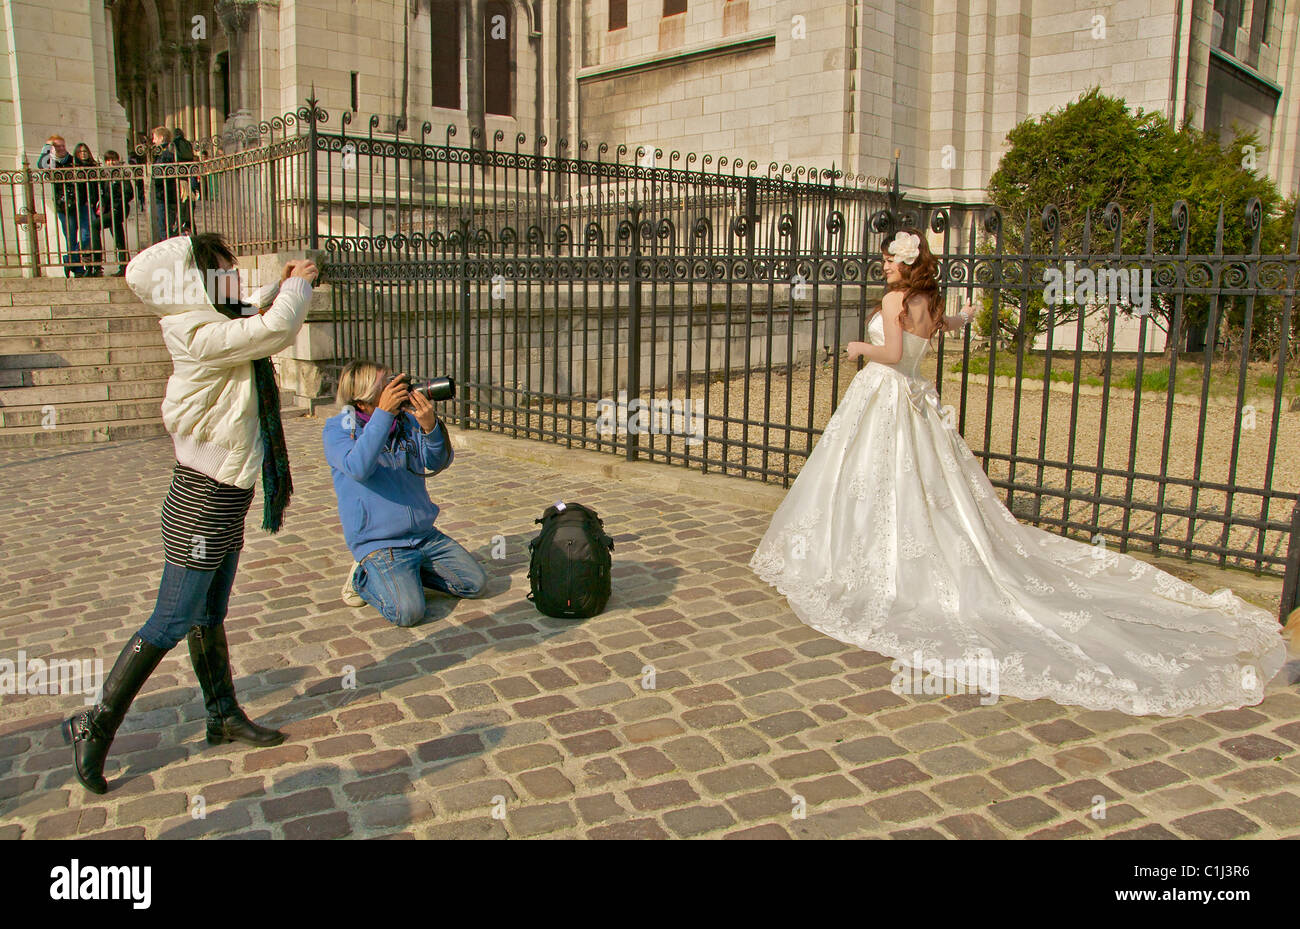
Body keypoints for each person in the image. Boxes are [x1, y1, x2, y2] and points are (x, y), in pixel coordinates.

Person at [749, 227, 1288, 717]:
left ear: (905, 265)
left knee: (873, 480)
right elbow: (947, 327)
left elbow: (891, 353)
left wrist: (858, 346)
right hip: (911, 396)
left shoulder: (895, 300)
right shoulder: (928, 302)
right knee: (912, 482)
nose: (883, 265)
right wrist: (967, 315)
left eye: (889, 259)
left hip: (887, 392)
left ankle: (861, 560)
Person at [62, 232, 318, 795]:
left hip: (226, 497)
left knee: (210, 613)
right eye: (221, 271)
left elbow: (252, 306)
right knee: (172, 619)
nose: (232, 279)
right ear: (192, 284)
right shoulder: (196, 331)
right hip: (202, 501)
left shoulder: (212, 317)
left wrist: (281, 282)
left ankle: (221, 714)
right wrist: (298, 285)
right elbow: (271, 328)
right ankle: (94, 723)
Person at [324, 361, 488, 626]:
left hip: (423, 537)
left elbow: (438, 462)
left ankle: (407, 575)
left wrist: (429, 427)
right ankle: (363, 575)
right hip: (381, 543)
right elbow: (358, 467)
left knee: (475, 583)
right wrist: (383, 415)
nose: (395, 389)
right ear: (364, 397)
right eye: (385, 385)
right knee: (408, 612)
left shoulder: (406, 422)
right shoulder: (340, 427)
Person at [36, 134, 86, 277]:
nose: (61, 148)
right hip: (63, 205)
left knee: (85, 236)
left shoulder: (73, 161)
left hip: (80, 203)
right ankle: (77, 269)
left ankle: (69, 259)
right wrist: (47, 148)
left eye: (63, 145)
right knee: (70, 237)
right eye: (57, 146)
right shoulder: (51, 163)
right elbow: (41, 165)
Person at [98, 150, 135, 276]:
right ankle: (124, 264)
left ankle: (97, 263)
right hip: (109, 210)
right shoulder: (104, 175)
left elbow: (129, 193)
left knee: (95, 225)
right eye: (108, 160)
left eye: (113, 159)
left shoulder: (121, 174)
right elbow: (102, 193)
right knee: (119, 237)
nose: (111, 162)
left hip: (118, 209)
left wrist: (118, 202)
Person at [71, 143, 104, 277]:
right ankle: (82, 261)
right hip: (78, 204)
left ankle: (91, 265)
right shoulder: (73, 168)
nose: (83, 153)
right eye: (80, 152)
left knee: (88, 235)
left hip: (91, 204)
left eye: (85, 151)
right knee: (84, 235)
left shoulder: (94, 167)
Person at [149, 126, 181, 243]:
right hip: (168, 195)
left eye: (155, 138)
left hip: (163, 196)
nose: (153, 141)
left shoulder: (164, 154)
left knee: (164, 230)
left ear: (161, 138)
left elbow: (159, 177)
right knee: (167, 228)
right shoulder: (170, 152)